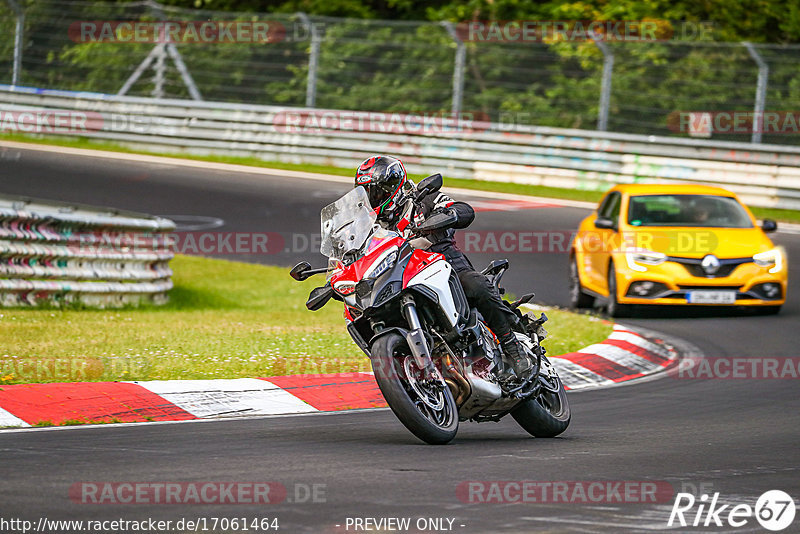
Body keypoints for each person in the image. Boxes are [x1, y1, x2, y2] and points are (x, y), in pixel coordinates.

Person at [354, 155, 532, 376]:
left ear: (394, 186)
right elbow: (354, 251)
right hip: (401, 279)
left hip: (445, 266)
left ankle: (512, 348)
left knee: (476, 285)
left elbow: (463, 209)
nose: (374, 198)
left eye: (378, 191)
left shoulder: (422, 201)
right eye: (368, 193)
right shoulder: (371, 227)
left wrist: (450, 215)